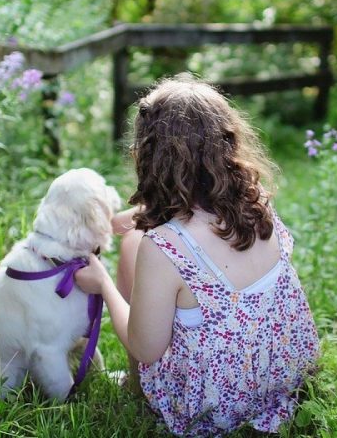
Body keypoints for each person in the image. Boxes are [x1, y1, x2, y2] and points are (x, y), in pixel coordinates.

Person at [75, 76, 319, 436]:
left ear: (150, 156)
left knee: (131, 245)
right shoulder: (257, 202)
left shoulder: (162, 247)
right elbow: (189, 219)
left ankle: (136, 386)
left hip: (213, 406)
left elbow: (146, 348)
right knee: (133, 239)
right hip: (283, 376)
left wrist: (105, 286)